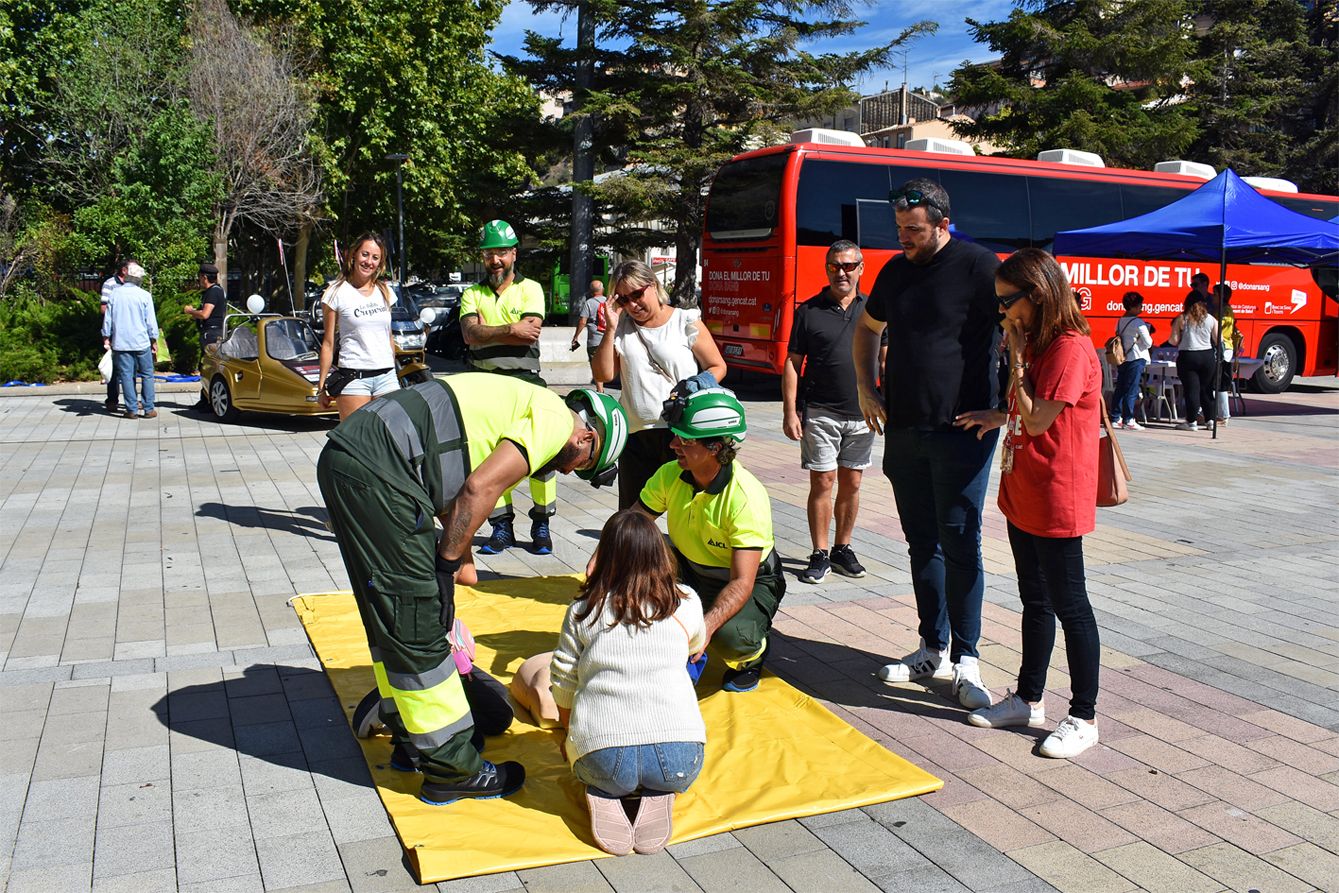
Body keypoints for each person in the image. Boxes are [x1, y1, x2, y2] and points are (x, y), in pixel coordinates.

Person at [316, 375, 629, 805]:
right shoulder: (556, 421)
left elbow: (453, 482)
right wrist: (444, 568)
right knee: (416, 615)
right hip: (378, 469)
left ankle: (411, 738)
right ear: (586, 438)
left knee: (390, 606)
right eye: (581, 465)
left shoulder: (527, 403)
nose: (566, 470)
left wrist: (458, 559)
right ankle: (452, 768)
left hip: (358, 458)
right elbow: (480, 488)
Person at [852, 178, 1000, 710]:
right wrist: (868, 389)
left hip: (963, 432)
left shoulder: (981, 267)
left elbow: (1027, 326)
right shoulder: (895, 272)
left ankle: (968, 659)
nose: (903, 240)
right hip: (907, 430)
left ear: (942, 224)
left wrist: (1004, 406)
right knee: (922, 544)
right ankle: (930, 647)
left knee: (962, 543)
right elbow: (867, 330)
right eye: (899, 230)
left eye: (913, 231)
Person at [954, 248, 1103, 759]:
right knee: (1034, 601)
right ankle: (1028, 698)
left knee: (1071, 605)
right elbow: (1027, 413)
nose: (1002, 313)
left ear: (1037, 295)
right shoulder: (1041, 343)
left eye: (1007, 302)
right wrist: (998, 416)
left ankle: (1084, 715)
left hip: (1058, 495)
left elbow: (1039, 419)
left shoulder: (1067, 347)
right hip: (1026, 491)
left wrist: (1015, 357)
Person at [551, 508, 706, 856]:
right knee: (665, 767)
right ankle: (657, 789)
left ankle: (606, 792)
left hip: (601, 757)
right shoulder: (687, 602)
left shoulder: (583, 610)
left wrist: (567, 734)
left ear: (604, 554)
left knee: (603, 771)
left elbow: (562, 678)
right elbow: (696, 647)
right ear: (660, 553)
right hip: (680, 758)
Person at [636, 387, 783, 693]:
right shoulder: (670, 474)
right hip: (692, 569)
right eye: (675, 435)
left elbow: (742, 581)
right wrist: (603, 559)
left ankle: (753, 653)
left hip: (747, 581)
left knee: (729, 639)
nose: (674, 444)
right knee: (638, 568)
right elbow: (633, 522)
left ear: (716, 447)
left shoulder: (745, 498)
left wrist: (705, 628)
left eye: (685, 440)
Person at [592, 260, 727, 509]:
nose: (632, 304)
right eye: (623, 299)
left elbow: (717, 366)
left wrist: (695, 384)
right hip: (636, 436)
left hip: (683, 433)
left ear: (652, 285)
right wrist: (610, 328)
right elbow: (604, 373)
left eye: (637, 294)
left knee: (689, 509)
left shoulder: (684, 320)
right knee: (634, 516)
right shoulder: (622, 328)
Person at [459, 219, 556, 555]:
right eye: (489, 254)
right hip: (485, 388)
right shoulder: (472, 293)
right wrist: (509, 329)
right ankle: (502, 528)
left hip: (528, 385)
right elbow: (469, 334)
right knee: (489, 457)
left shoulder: (531, 289)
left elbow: (530, 329)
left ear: (514, 253)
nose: (495, 260)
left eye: (501, 252)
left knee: (541, 455)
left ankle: (542, 523)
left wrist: (490, 330)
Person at [783, 239, 874, 584]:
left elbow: (886, 359)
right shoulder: (809, 311)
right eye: (835, 266)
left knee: (852, 483)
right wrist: (790, 411)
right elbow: (793, 364)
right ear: (827, 269)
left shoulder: (873, 310)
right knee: (823, 481)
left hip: (863, 412)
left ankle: (842, 548)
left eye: (849, 266)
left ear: (860, 269)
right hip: (820, 411)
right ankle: (819, 553)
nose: (842, 272)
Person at [317, 233, 398, 421]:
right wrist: (321, 387)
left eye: (375, 257)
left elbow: (389, 337)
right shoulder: (336, 292)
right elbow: (328, 343)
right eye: (365, 254)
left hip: (387, 378)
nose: (369, 261)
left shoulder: (385, 292)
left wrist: (393, 369)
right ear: (353, 255)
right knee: (358, 443)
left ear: (380, 263)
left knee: (391, 440)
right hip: (354, 379)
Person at [101, 262, 159, 420]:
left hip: (121, 342)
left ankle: (131, 409)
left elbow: (108, 320)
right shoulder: (145, 295)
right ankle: (148, 408)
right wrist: (154, 340)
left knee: (126, 375)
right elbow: (151, 322)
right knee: (147, 374)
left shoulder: (114, 294)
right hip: (141, 341)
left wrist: (106, 336)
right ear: (138, 279)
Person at [1170, 293, 1218, 431]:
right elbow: (1217, 338)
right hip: (1207, 356)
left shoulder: (1182, 318)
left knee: (1192, 390)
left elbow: (1173, 340)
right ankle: (1210, 420)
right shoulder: (1211, 319)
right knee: (1207, 389)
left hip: (1188, 356)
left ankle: (1191, 421)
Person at [1110, 291, 1153, 431]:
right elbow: (1149, 342)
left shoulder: (1120, 320)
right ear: (1134, 306)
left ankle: (1116, 417)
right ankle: (1129, 419)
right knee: (1132, 389)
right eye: (1140, 305)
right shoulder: (1139, 322)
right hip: (1136, 357)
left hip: (1123, 358)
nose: (1142, 308)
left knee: (1121, 387)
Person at [99, 259, 131, 413]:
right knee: (114, 369)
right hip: (115, 332)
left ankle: (131, 400)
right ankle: (112, 399)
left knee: (131, 368)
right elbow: (104, 309)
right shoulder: (110, 284)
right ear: (124, 270)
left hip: (132, 332)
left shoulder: (134, 285)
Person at [571, 279, 608, 393]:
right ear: (602, 289)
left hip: (594, 341)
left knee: (596, 365)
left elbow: (582, 321)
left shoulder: (589, 303)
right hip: (609, 340)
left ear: (591, 291)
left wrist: (576, 336)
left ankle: (600, 390)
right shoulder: (609, 302)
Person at [184, 262, 227, 352]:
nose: (199, 280)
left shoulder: (213, 292)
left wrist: (190, 311)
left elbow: (205, 314)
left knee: (210, 363)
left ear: (204, 277)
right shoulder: (217, 290)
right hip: (215, 331)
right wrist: (196, 313)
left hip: (211, 334)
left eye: (199, 277)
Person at [1213, 283, 1239, 426]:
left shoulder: (1225, 310)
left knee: (1220, 383)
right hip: (1222, 347)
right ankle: (1220, 414)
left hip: (1224, 348)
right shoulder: (1220, 309)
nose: (1213, 297)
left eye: (1215, 294)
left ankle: (1223, 415)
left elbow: (1220, 328)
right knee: (1216, 382)